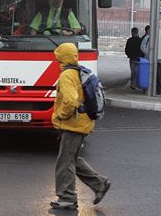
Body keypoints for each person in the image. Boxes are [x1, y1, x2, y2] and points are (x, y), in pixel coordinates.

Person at [50, 42, 111, 210]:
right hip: (82, 122)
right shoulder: (79, 71)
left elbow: (70, 101)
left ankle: (68, 197)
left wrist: (60, 116)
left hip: (73, 125)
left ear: (62, 57)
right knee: (73, 159)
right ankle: (100, 184)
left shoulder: (67, 75)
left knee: (65, 161)